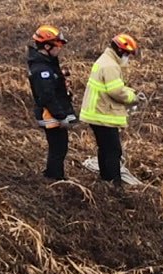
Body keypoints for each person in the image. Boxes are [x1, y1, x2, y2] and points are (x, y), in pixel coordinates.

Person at [79, 33, 139, 185]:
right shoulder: (111, 66)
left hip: (96, 113)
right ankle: (114, 183)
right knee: (113, 151)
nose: (127, 58)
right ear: (120, 51)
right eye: (127, 54)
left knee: (104, 148)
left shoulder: (105, 60)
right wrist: (133, 97)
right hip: (103, 114)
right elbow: (116, 91)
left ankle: (106, 179)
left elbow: (110, 87)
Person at [26, 25, 77, 180]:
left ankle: (54, 174)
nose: (60, 49)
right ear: (47, 46)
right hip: (50, 115)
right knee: (58, 147)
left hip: (55, 112)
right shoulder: (42, 69)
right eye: (57, 45)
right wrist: (61, 116)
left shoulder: (48, 63)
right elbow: (47, 96)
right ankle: (55, 177)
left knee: (60, 147)